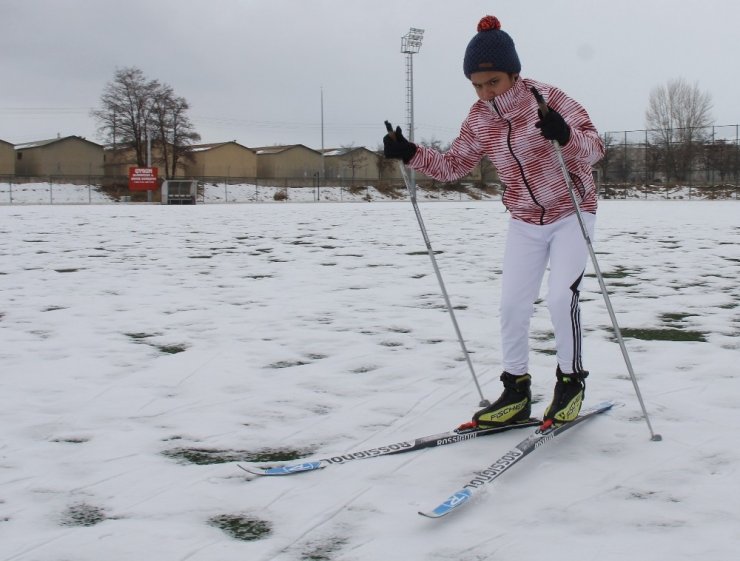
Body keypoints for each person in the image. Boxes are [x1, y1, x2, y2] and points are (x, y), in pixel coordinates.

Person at [383, 15, 605, 427]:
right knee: (512, 306)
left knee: (560, 298)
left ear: (514, 75)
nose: (485, 93)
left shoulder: (547, 98)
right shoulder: (479, 118)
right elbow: (453, 165)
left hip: (571, 211)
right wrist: (411, 152)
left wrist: (565, 135)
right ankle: (516, 390)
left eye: (493, 82)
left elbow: (595, 149)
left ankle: (571, 382)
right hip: (524, 218)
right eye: (477, 85)